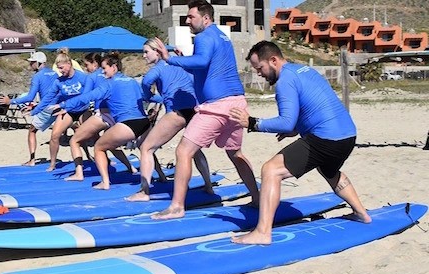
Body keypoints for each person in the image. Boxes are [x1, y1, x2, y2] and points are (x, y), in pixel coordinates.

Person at [229, 41, 372, 245]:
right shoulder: (303, 70)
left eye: (259, 68)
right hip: (348, 136)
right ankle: (362, 214)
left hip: (325, 138)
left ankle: (262, 232)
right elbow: (311, 106)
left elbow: (286, 122)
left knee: (271, 170)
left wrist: (251, 122)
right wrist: (296, 130)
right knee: (329, 170)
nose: (258, 73)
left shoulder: (285, 81)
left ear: (273, 60)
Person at [151, 0, 259, 219]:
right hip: (237, 102)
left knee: (183, 151)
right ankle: (258, 198)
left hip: (217, 106)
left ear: (206, 18)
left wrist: (169, 59)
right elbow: (207, 69)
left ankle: (177, 207)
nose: (187, 20)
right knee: (235, 153)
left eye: (191, 17)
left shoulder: (203, 37)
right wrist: (185, 61)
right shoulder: (221, 36)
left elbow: (201, 62)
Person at [126, 39, 214, 201]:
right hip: (194, 110)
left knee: (146, 147)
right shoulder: (179, 63)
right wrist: (160, 99)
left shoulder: (158, 68)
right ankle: (208, 186)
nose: (144, 56)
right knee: (194, 150)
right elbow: (194, 81)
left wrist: (147, 96)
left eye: (146, 52)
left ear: (157, 52)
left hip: (177, 112)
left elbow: (146, 82)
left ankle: (144, 192)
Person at [53, 52, 150, 190]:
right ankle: (159, 178)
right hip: (144, 122)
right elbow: (147, 97)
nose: (103, 71)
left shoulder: (108, 84)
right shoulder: (132, 81)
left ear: (114, 67)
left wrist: (63, 105)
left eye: (104, 68)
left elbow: (86, 97)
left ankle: (104, 182)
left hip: (125, 123)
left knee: (98, 146)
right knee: (146, 150)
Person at [0, 51, 58, 166]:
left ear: (38, 63)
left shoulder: (37, 77)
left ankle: (32, 160)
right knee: (73, 129)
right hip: (58, 107)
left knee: (32, 131)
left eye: (32, 63)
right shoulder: (54, 73)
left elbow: (30, 96)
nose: (30, 65)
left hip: (46, 108)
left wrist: (10, 101)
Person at [41, 48, 93, 171]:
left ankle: (99, 158)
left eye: (61, 68)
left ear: (69, 64)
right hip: (68, 111)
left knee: (91, 135)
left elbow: (90, 94)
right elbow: (53, 95)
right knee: (55, 135)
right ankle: (53, 163)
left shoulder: (82, 77)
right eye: (58, 68)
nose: (60, 71)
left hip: (83, 109)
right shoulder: (59, 81)